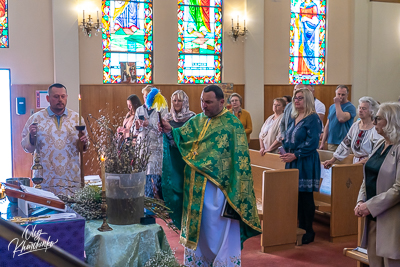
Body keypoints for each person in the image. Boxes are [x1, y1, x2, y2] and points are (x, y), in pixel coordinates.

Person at [160, 85, 261, 266]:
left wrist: (236, 191)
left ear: (222, 102)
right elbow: (181, 139)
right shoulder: (197, 120)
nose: (203, 106)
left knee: (218, 232)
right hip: (195, 191)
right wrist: (169, 131)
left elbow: (240, 163)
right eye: (202, 101)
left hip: (218, 191)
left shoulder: (232, 125)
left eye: (208, 102)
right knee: (200, 234)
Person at [21, 83, 88, 195]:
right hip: (45, 177)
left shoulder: (77, 118)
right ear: (48, 98)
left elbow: (84, 148)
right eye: (56, 97)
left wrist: (84, 142)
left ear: (66, 97)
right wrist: (31, 137)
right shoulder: (36, 118)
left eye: (63, 96)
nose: (60, 100)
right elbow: (26, 147)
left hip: (71, 177)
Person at [355, 102, 400, 266]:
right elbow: (368, 175)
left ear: (391, 121)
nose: (373, 122)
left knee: (391, 262)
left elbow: (398, 189)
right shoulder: (381, 143)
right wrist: (361, 201)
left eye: (378, 118)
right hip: (373, 217)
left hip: (391, 219)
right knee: (374, 262)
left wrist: (370, 205)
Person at [280, 88, 322, 244]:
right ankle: (299, 228)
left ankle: (308, 230)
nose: (296, 101)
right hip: (292, 160)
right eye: (295, 98)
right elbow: (289, 136)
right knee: (295, 196)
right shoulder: (294, 117)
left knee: (305, 196)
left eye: (300, 98)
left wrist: (296, 154)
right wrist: (284, 149)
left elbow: (312, 143)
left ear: (308, 100)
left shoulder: (313, 119)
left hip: (305, 160)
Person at [323, 97, 381, 168]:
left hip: (370, 164)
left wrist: (365, 160)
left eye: (364, 109)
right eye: (360, 108)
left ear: (372, 111)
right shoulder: (355, 125)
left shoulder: (375, 128)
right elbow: (345, 144)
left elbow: (378, 151)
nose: (360, 110)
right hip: (356, 163)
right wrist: (332, 160)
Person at [133, 86, 167, 199]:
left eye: (149, 96)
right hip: (142, 148)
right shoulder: (139, 110)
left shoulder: (161, 108)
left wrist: (150, 124)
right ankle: (146, 201)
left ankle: (156, 201)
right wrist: (137, 127)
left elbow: (163, 128)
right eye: (145, 96)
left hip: (156, 148)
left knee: (154, 175)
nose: (146, 98)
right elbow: (134, 130)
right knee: (143, 175)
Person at [320, 85, 357, 151]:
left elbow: (341, 119)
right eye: (338, 94)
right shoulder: (332, 107)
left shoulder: (350, 107)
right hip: (332, 141)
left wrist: (337, 103)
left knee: (343, 161)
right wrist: (323, 142)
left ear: (347, 95)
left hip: (344, 142)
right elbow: (327, 125)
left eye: (343, 95)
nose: (340, 96)